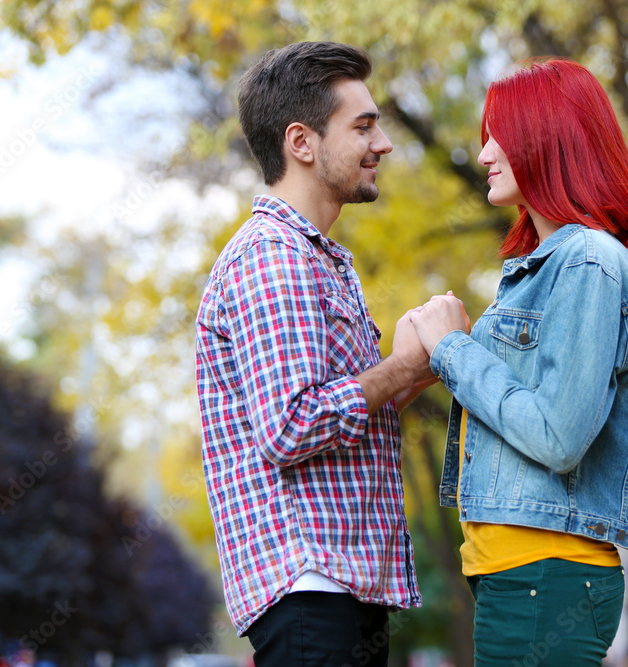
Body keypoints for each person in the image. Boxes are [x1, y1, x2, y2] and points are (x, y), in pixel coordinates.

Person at [410, 58, 628, 665]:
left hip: (544, 578)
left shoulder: (585, 262)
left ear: (545, 137)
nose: (484, 154)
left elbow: (558, 435)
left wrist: (454, 350)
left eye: (498, 134)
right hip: (525, 574)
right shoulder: (550, 265)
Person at [195, 41, 433, 667]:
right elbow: (291, 426)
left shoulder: (320, 259)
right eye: (363, 126)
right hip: (311, 589)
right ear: (302, 143)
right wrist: (403, 364)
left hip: (339, 590)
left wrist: (424, 364)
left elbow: (341, 417)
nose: (382, 143)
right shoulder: (273, 256)